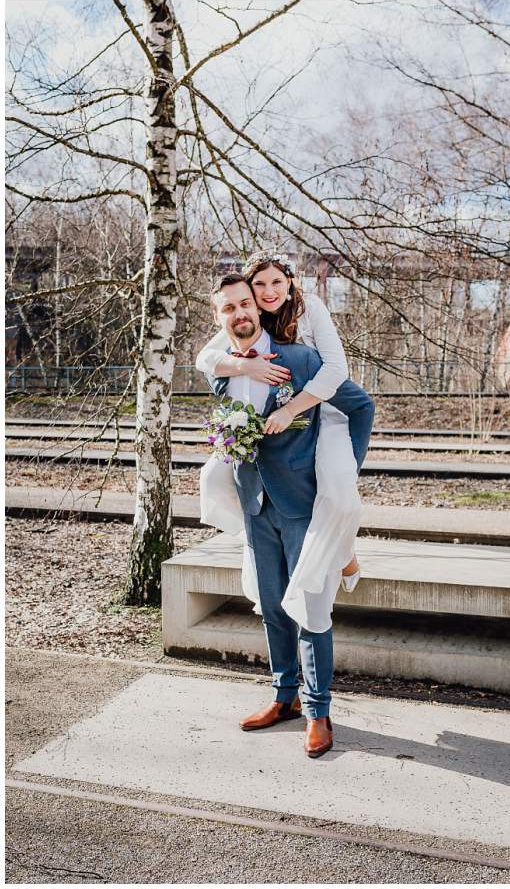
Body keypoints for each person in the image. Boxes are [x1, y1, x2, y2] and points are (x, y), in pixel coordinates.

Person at [206, 274, 374, 757]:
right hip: (254, 503)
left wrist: (344, 472)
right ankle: (284, 698)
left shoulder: (301, 360)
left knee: (312, 608)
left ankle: (318, 712)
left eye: (245, 304)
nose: (239, 314)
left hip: (302, 504)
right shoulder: (221, 369)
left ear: (258, 308)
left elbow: (361, 407)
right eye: (228, 309)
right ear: (219, 318)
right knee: (273, 604)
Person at [197, 250, 364, 635]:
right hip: (275, 421)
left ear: (290, 282)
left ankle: (343, 553)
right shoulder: (247, 312)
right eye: (260, 285)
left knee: (338, 491)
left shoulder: (312, 308)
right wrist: (244, 365)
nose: (269, 291)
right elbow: (205, 358)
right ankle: (261, 538)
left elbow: (339, 371)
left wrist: (293, 410)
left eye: (276, 282)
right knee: (212, 481)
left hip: (323, 407)